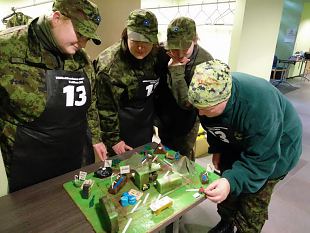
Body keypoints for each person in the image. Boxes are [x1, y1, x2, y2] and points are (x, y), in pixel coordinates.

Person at [0, 0, 107, 192]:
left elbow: (90, 104)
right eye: (80, 34)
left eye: (87, 38)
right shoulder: (6, 49)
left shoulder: (82, 60)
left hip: (72, 157)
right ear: (57, 18)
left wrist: (96, 138)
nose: (82, 43)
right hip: (27, 165)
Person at [187, 59, 302, 233]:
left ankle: (245, 229)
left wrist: (231, 182)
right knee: (227, 190)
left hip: (276, 149)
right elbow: (214, 126)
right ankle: (226, 223)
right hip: (237, 140)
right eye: (198, 107)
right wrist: (217, 150)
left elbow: (261, 160)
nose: (200, 113)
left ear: (225, 98)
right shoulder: (207, 98)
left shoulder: (259, 105)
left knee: (253, 199)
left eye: (206, 108)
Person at [93, 9, 159, 156]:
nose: (141, 47)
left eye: (146, 42)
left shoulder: (157, 54)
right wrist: (113, 140)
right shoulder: (109, 65)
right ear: (126, 36)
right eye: (135, 41)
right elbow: (105, 108)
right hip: (121, 129)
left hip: (145, 123)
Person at [154, 17, 213, 160]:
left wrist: (177, 72)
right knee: (165, 153)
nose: (179, 54)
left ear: (195, 40)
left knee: (182, 157)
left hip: (187, 121)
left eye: (185, 49)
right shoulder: (160, 51)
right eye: (174, 48)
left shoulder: (205, 62)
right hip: (165, 117)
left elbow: (188, 103)